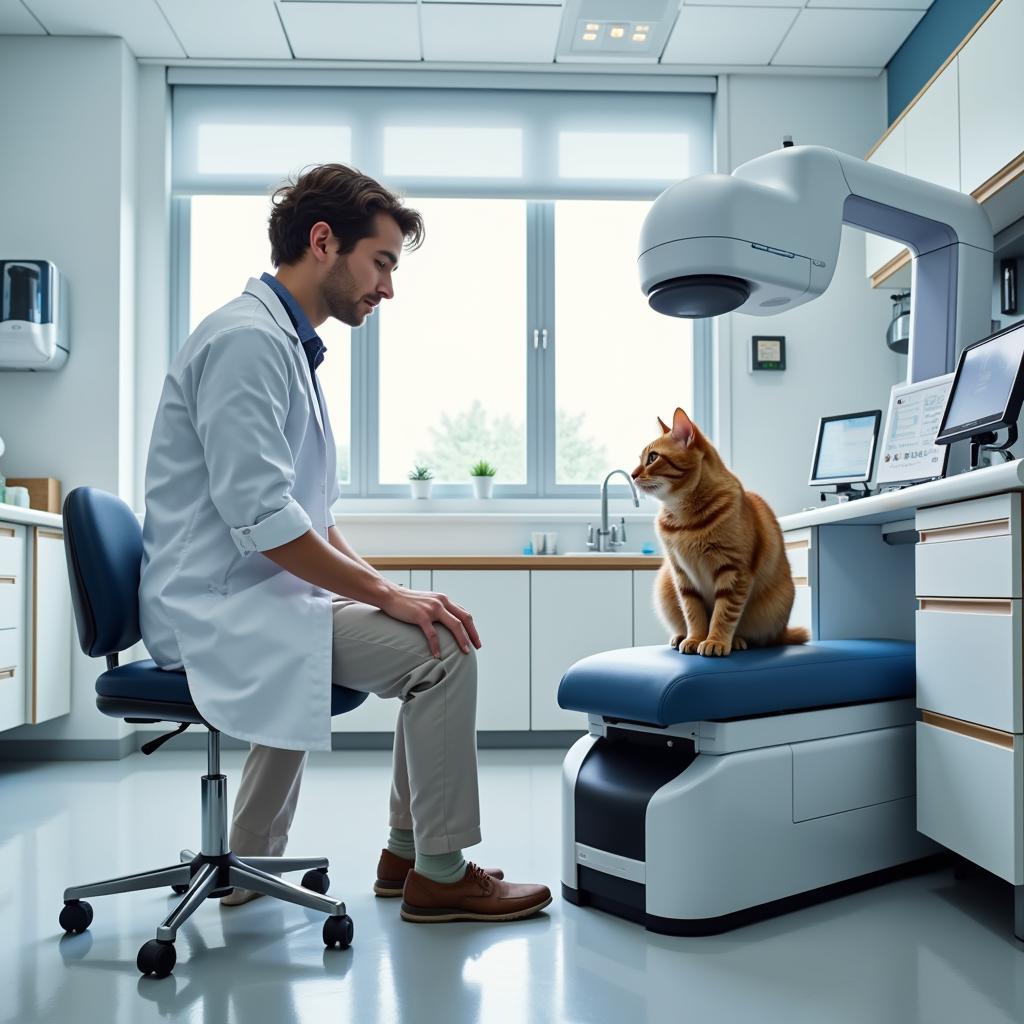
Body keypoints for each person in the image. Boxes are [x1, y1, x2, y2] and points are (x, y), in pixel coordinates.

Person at [139, 164, 550, 924]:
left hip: (256, 592)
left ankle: (374, 855)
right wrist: (391, 597)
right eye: (383, 262)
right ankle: (437, 869)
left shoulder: (283, 344)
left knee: (424, 624)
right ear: (323, 241)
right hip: (219, 607)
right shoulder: (246, 343)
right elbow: (265, 521)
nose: (389, 288)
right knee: (443, 654)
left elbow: (308, 515)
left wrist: (391, 592)